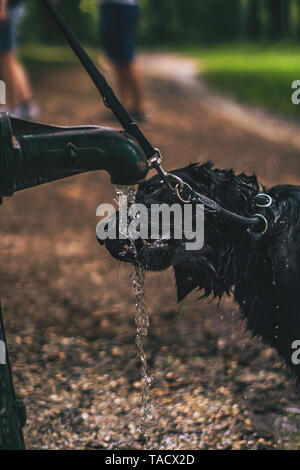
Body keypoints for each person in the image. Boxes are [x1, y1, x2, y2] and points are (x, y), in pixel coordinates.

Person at [99, 0, 146, 122]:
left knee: (126, 59)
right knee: (117, 60)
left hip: (121, 6)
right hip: (110, 5)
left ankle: (138, 109)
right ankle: (122, 108)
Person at [0, 0, 38, 119]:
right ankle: (26, 103)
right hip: (13, 6)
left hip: (7, 8)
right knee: (9, 59)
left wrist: (2, 6)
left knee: (7, 58)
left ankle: (13, 106)